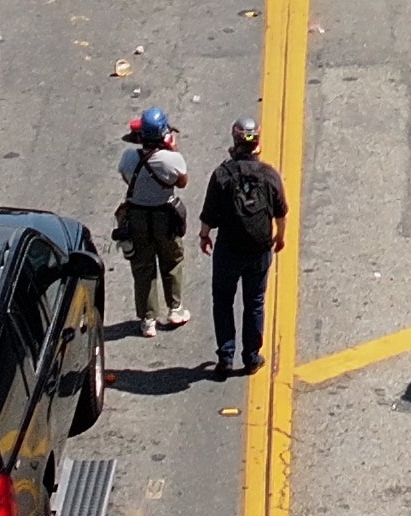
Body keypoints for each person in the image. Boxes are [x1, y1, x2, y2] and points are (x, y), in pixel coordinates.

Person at [198, 118, 290, 378]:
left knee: (223, 301)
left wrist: (204, 236)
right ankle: (251, 357)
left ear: (235, 140)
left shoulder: (222, 175)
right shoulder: (269, 175)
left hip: (229, 248)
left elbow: (209, 214)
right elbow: (282, 213)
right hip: (259, 249)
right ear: (258, 143)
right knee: (255, 302)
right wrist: (279, 238)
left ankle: (225, 356)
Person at [115, 108, 192, 330]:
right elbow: (182, 183)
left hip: (137, 216)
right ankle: (175, 310)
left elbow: (125, 178)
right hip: (164, 216)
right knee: (172, 261)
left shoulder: (129, 158)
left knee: (142, 266)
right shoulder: (173, 159)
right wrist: (173, 151)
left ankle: (148, 319)